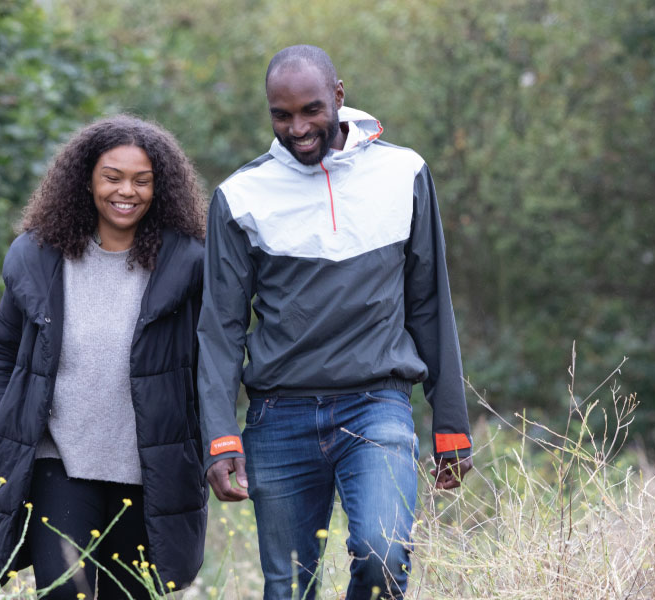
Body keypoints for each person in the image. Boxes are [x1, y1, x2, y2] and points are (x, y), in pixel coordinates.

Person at [198, 45, 474, 599]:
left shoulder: (405, 172)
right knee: (289, 589)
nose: (297, 128)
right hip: (278, 418)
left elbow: (428, 304)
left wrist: (451, 422)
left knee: (383, 555)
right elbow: (221, 328)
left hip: (377, 405)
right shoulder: (241, 195)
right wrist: (220, 436)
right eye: (282, 115)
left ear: (340, 97)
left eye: (311, 110)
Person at [0, 115, 208, 598]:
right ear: (87, 180)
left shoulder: (190, 263)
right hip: (57, 461)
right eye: (112, 177)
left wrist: (210, 445)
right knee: (64, 591)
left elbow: (213, 363)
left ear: (160, 188)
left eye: (143, 180)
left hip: (149, 471)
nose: (128, 191)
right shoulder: (37, 257)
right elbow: (2, 352)